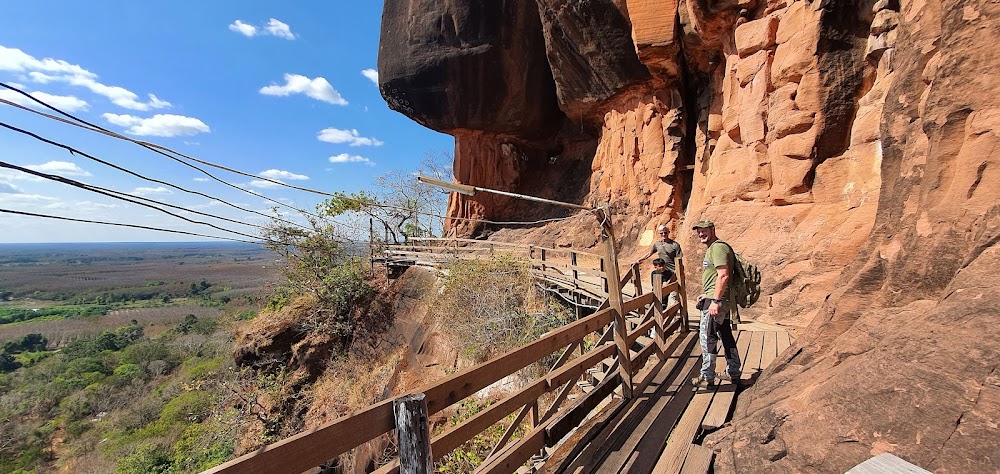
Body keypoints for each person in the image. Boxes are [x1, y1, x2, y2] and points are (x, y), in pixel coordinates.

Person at [691, 220, 741, 389]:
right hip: (718, 298)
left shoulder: (718, 248)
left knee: (707, 336)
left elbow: (724, 275)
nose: (701, 234)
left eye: (704, 230)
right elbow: (717, 277)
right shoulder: (714, 248)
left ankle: (707, 376)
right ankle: (733, 371)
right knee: (724, 334)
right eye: (699, 231)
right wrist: (709, 294)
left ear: (712, 230)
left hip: (717, 302)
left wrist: (715, 301)